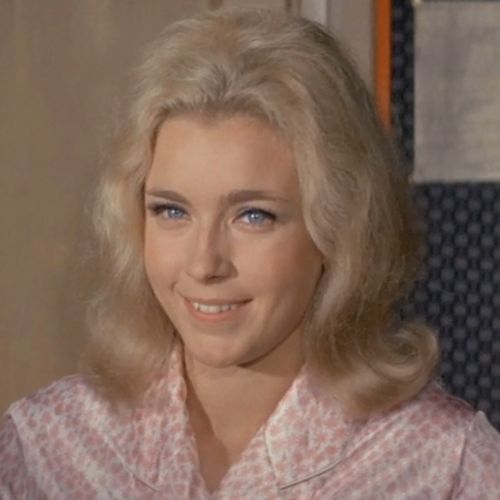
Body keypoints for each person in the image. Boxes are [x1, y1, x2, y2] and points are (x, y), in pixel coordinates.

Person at [1, 8, 500, 499]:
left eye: (253, 216)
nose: (204, 264)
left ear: (336, 230)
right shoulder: (44, 450)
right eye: (172, 211)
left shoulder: (443, 465)